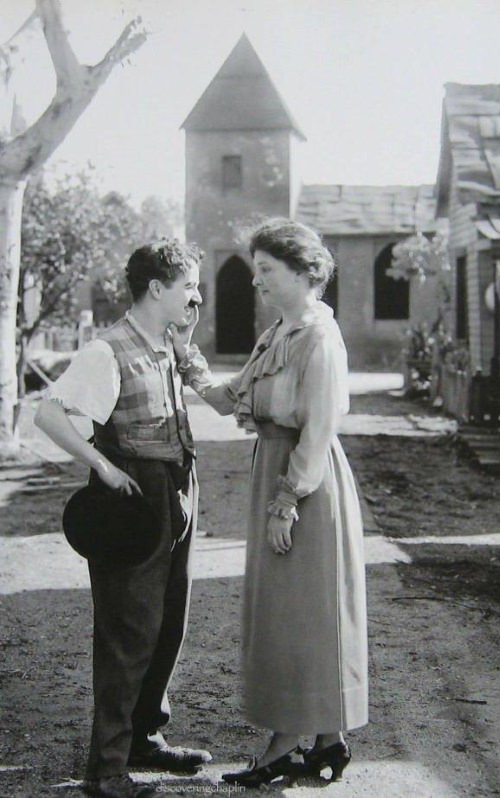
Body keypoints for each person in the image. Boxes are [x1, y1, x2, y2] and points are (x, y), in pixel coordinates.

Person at [173, 218, 368, 788]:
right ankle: (327, 740)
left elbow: (318, 428)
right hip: (275, 469)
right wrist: (186, 360)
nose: (255, 281)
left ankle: (285, 744)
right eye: (254, 270)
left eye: (266, 270)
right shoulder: (277, 333)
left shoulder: (319, 338)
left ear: (305, 273)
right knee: (290, 613)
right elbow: (231, 399)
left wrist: (287, 502)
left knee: (306, 611)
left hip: (306, 482)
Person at [35, 240, 212, 798]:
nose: (196, 296)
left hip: (176, 488)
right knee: (127, 630)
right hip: (133, 498)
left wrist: (185, 343)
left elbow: (201, 393)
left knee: (168, 622)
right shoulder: (106, 350)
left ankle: (144, 737)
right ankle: (107, 770)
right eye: (188, 286)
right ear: (157, 288)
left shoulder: (165, 342)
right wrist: (104, 468)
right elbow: (48, 414)